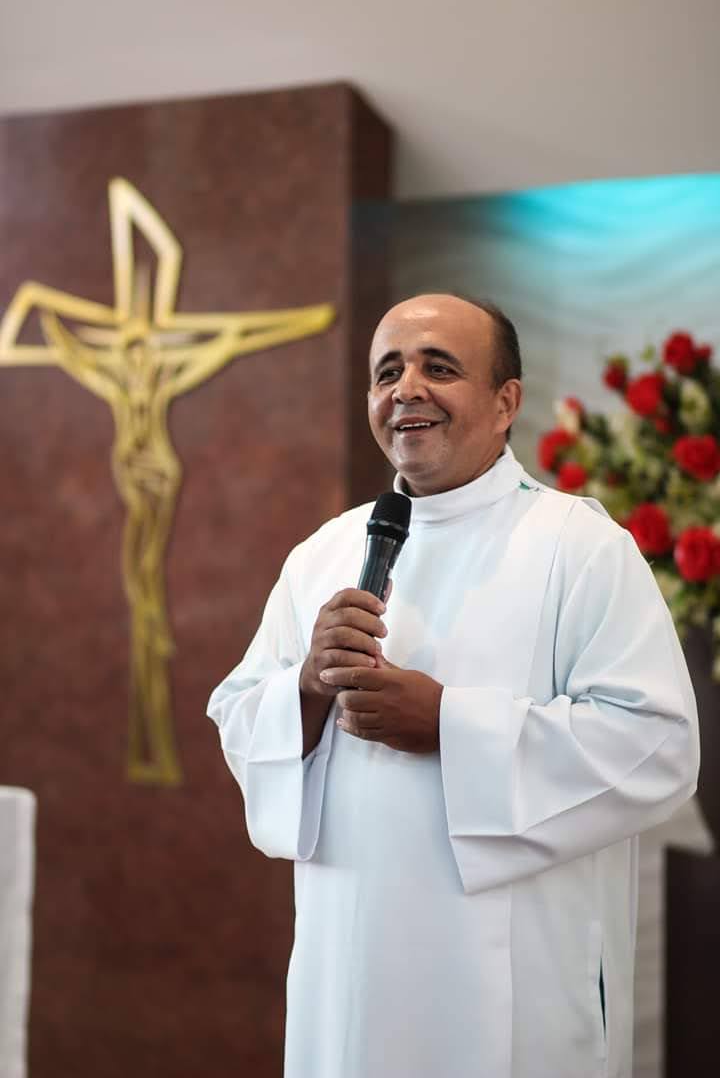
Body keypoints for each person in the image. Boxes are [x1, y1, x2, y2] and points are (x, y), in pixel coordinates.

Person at [207, 294, 699, 1078]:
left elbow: (656, 747)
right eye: (387, 372)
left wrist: (447, 724)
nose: (406, 389)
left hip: (509, 983)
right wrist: (302, 691)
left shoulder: (580, 546)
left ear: (507, 403)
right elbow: (239, 716)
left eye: (440, 367)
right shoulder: (324, 553)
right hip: (348, 969)